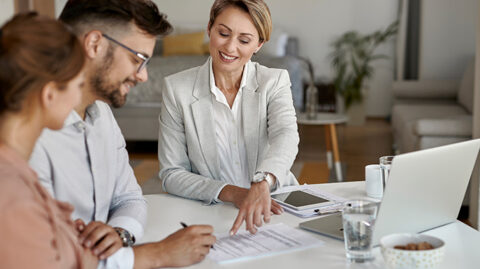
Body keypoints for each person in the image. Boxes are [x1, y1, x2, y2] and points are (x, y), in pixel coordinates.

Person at [0, 12, 215, 269]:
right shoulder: (11, 190)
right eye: (78, 84)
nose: (82, 98)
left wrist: (72, 235)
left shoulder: (19, 172)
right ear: (49, 95)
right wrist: (157, 254)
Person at [29, 0, 167, 260]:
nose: (143, 76)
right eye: (137, 59)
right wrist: (158, 255)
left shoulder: (102, 114)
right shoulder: (29, 135)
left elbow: (130, 198)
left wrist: (119, 233)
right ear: (94, 44)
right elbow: (44, 258)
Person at [158, 0, 300, 236]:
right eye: (223, 33)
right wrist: (235, 192)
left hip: (273, 207)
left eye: (244, 40)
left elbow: (285, 135)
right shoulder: (177, 89)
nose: (230, 47)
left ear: (259, 44)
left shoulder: (274, 81)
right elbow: (171, 174)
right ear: (209, 29)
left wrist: (262, 183)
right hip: (210, 211)